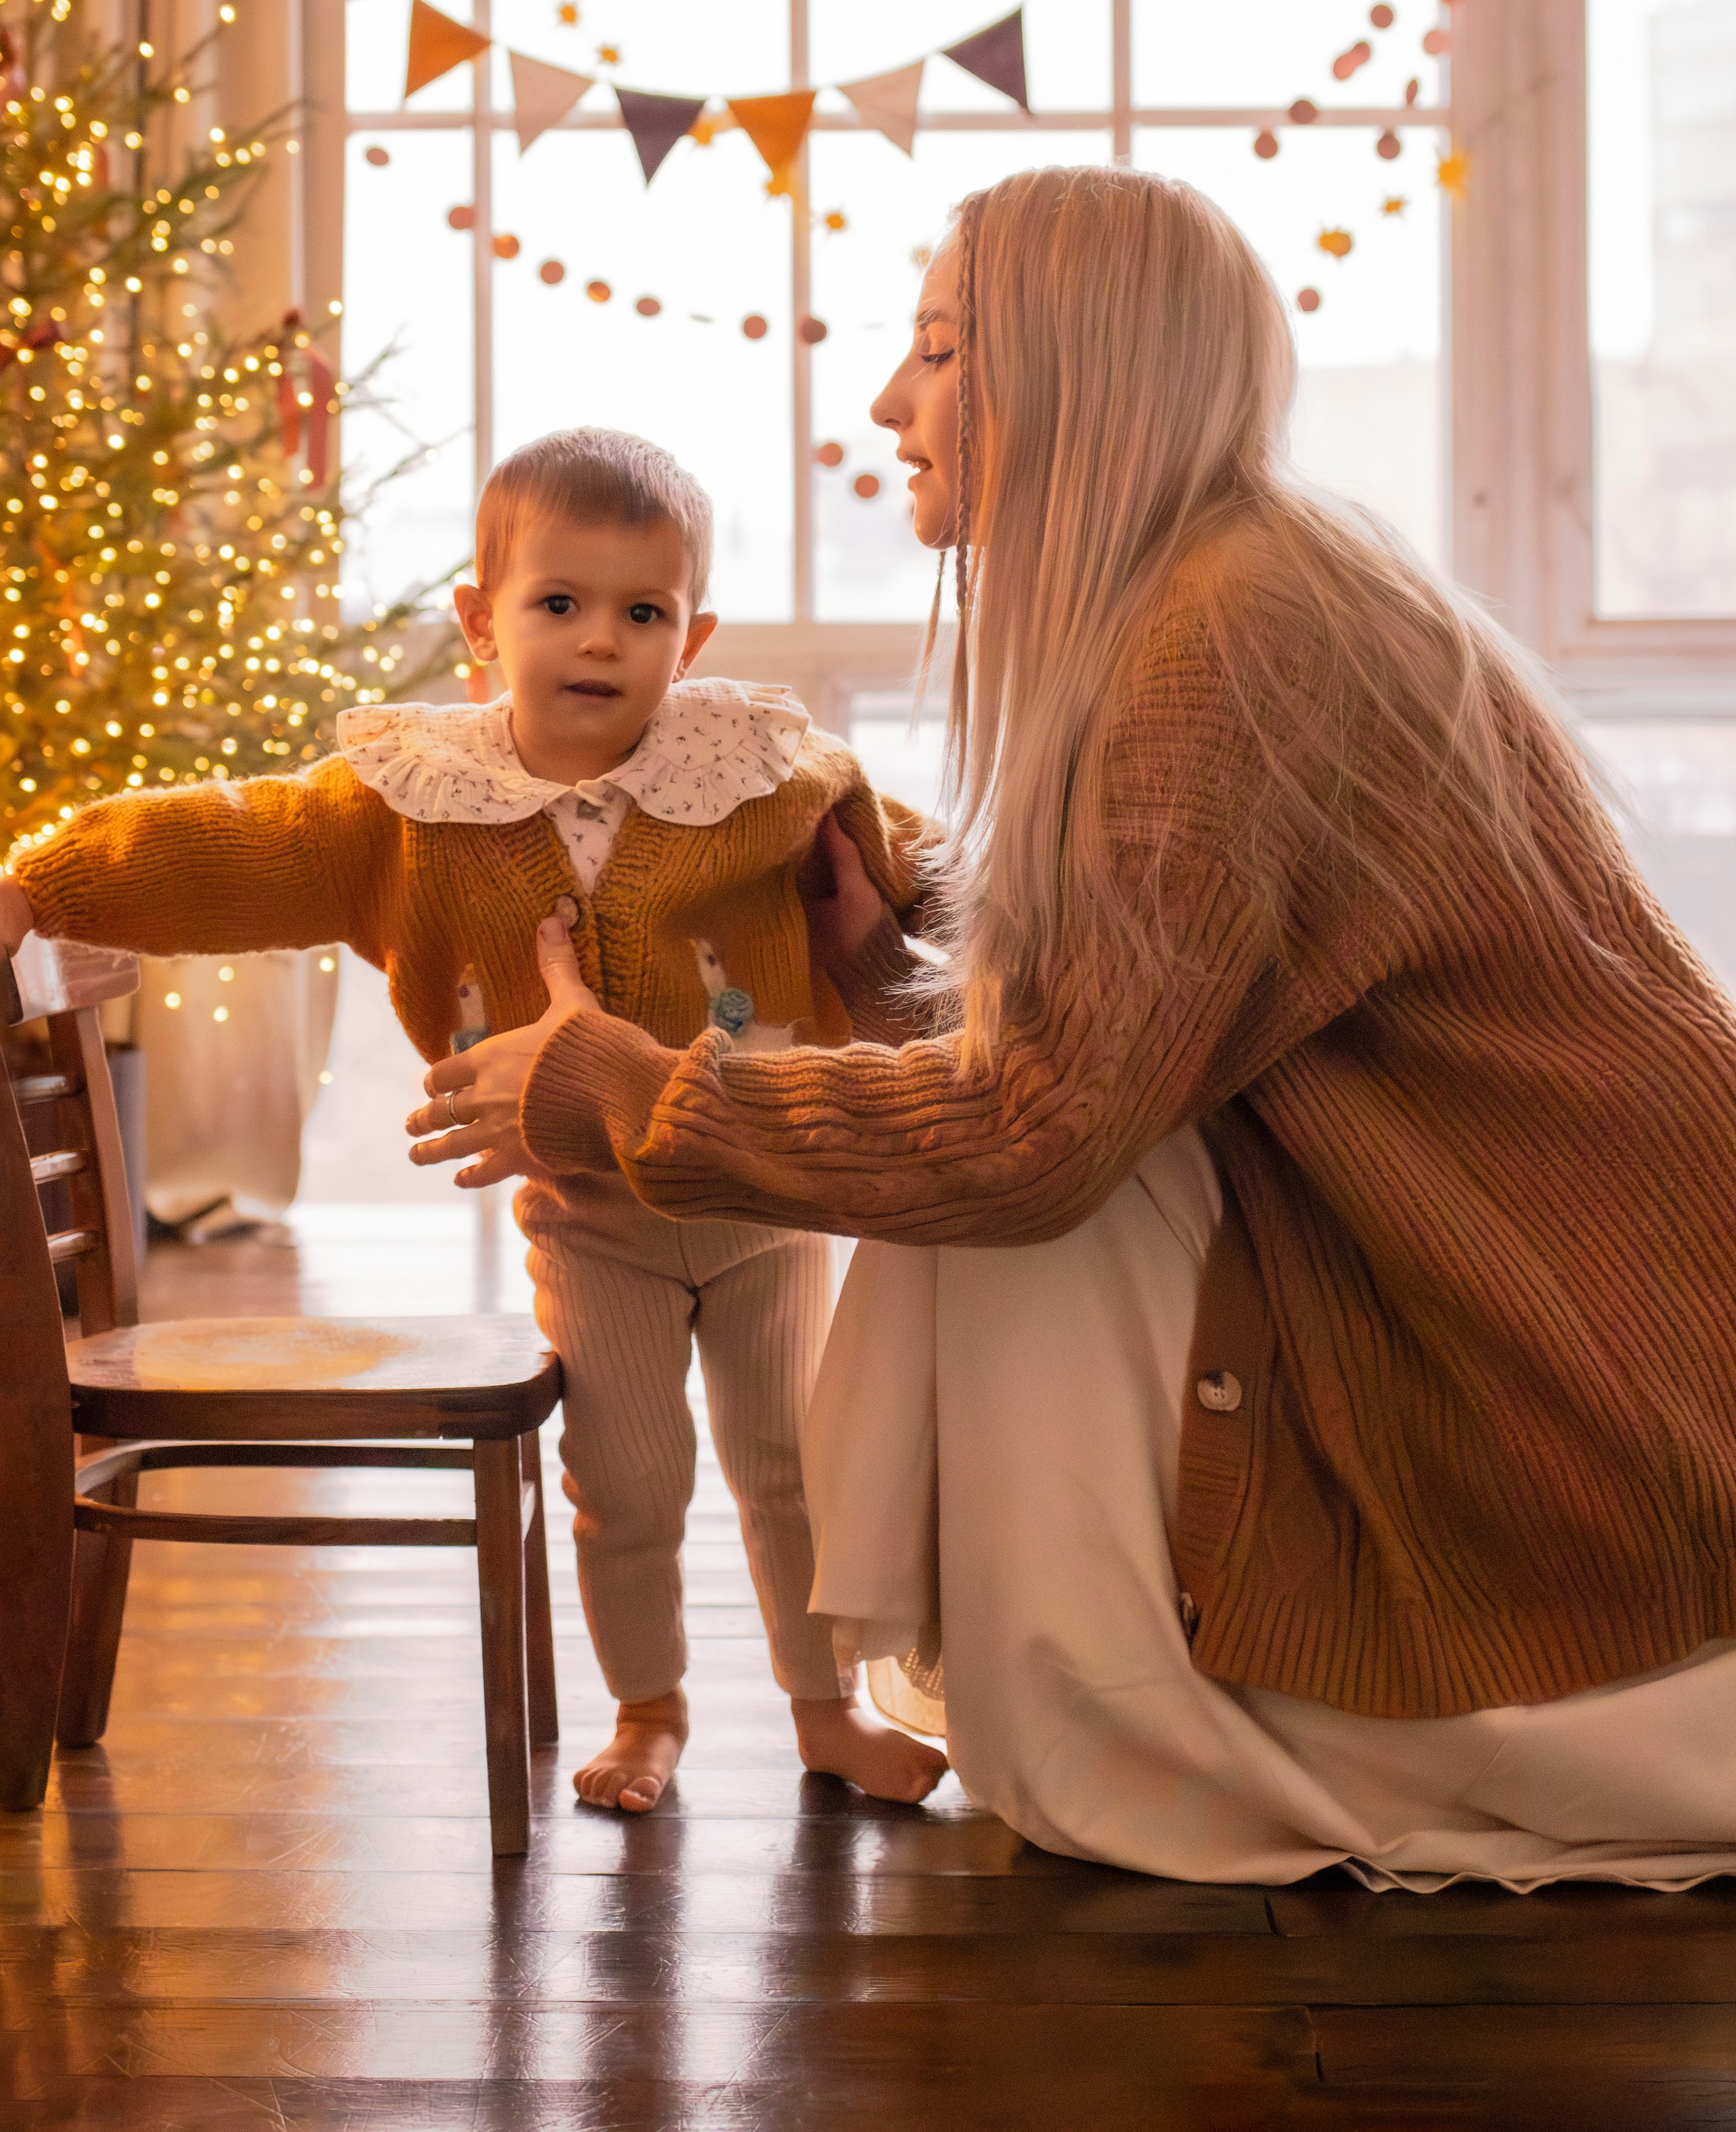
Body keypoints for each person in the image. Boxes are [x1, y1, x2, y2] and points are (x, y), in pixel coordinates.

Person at [408, 167, 1736, 1889]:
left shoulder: (1226, 639)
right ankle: (1089, 1697)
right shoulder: (1239, 583)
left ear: (1069, 368)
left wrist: (618, 1085)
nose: (886, 404)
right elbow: (1146, 1026)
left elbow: (1035, 1136)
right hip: (1534, 1275)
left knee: (1004, 1230)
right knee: (974, 1188)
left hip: (1561, 1348)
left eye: (936, 350)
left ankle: (1127, 1722)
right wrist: (890, 963)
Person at [1, 427, 947, 1815]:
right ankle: (649, 1710)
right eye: (559, 602)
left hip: (764, 1194)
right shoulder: (412, 809)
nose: (602, 639)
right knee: (625, 1481)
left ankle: (825, 1710)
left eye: (644, 612)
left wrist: (1013, 921)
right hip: (593, 1218)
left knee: (796, 1471)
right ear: (480, 620)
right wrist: (46, 881)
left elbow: (921, 864)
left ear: (692, 638)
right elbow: (236, 841)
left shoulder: (767, 775)